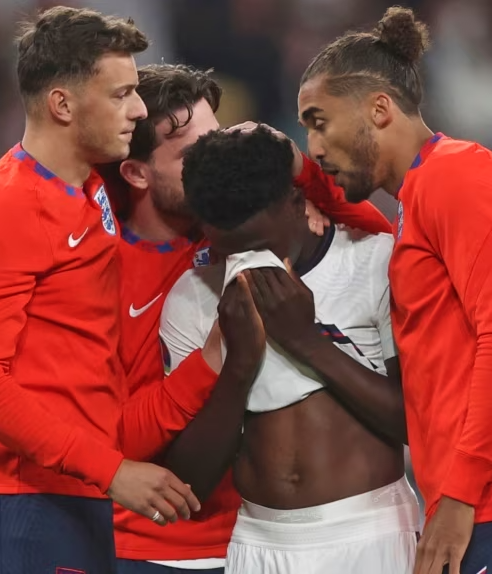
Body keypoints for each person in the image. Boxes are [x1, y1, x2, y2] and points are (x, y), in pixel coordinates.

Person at [293, 7, 492, 573]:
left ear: (379, 109)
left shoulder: (456, 175)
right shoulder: (417, 196)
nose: (314, 145)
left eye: (319, 121)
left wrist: (461, 495)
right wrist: (292, 170)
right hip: (475, 497)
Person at [0, 8, 199, 573]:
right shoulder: (0, 209)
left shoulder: (89, 188)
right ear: (62, 105)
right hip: (23, 508)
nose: (139, 109)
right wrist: (113, 470)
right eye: (122, 93)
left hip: (79, 500)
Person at [107, 65, 392, 574]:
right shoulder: (174, 284)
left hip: (362, 529)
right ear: (137, 173)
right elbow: (121, 442)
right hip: (185, 543)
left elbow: (367, 226)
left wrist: (292, 159)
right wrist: (226, 360)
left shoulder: (361, 254)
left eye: (218, 137)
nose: (214, 157)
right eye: (192, 153)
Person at [158, 125, 417, 574]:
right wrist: (237, 364)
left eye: (260, 245)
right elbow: (190, 484)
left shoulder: (375, 262)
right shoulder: (191, 298)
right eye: (229, 250)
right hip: (258, 542)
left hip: (372, 531)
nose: (248, 264)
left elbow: (413, 423)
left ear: (297, 205)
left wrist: (304, 341)